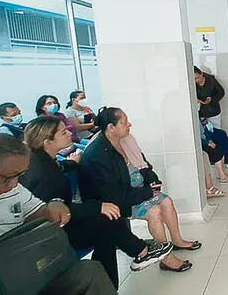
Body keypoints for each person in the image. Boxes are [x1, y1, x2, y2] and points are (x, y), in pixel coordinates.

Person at [21, 117, 174, 288]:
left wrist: (72, 163)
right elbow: (52, 211)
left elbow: (60, 169)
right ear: (47, 142)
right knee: (105, 218)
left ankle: (108, 285)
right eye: (64, 132)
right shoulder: (43, 172)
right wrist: (97, 206)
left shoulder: (42, 159)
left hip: (64, 220)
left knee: (106, 231)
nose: (70, 133)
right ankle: (141, 251)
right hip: (54, 232)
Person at [0, 133, 118, 295]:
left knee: (89, 271)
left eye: (20, 175)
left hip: (27, 265)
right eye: (7, 178)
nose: (14, 184)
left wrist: (55, 205)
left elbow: (40, 212)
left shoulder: (14, 190)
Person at [79, 107, 200, 273]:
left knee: (166, 201)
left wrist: (153, 180)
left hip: (136, 191)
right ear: (111, 127)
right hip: (115, 202)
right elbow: (116, 194)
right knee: (155, 212)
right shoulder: (99, 154)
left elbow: (143, 164)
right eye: (124, 122)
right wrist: (148, 192)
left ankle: (177, 241)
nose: (129, 124)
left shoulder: (126, 140)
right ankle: (166, 258)